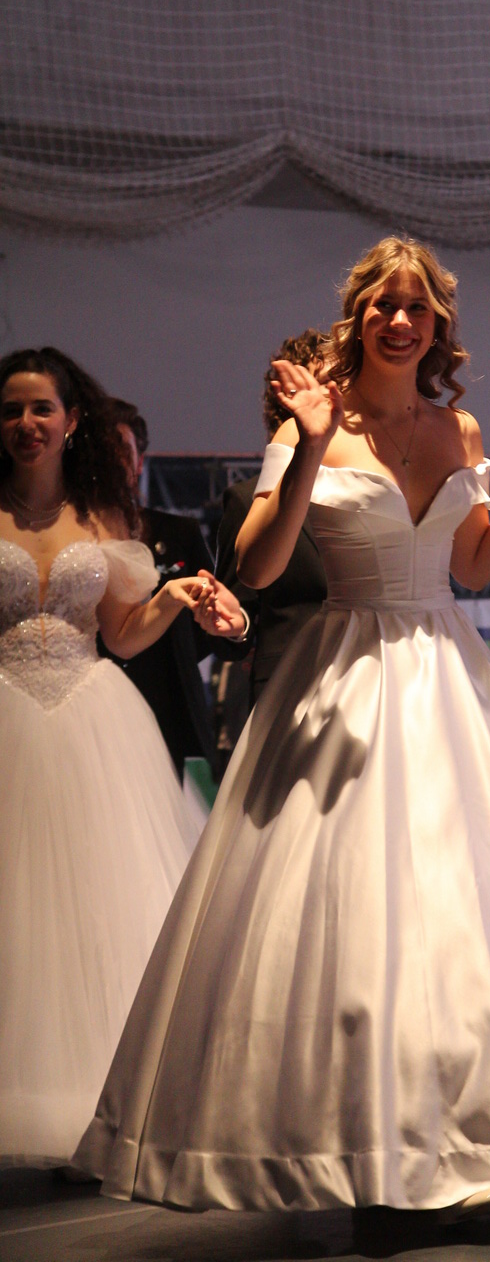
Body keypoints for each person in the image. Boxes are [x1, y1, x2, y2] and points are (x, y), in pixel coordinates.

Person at [77, 236, 490, 1218]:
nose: (400, 320)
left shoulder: (457, 428)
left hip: (451, 675)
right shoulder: (316, 424)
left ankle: (479, 1136)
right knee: (349, 914)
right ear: (358, 316)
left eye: (417, 307)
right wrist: (308, 443)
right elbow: (258, 566)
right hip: (346, 670)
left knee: (466, 912)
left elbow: (473, 564)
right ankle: (355, 1144)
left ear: (438, 324)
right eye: (384, 305)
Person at [0, 347, 240, 1167]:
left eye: (41, 408)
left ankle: (106, 1098)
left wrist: (170, 596)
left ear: (71, 421)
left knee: (99, 910)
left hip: (91, 720)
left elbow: (124, 637)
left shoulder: (102, 516)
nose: (26, 424)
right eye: (11, 410)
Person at [213, 329, 329, 713]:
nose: (328, 396)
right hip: (289, 691)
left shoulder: (381, 490)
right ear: (285, 399)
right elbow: (238, 608)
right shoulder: (247, 499)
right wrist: (236, 626)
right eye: (314, 385)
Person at [108, 398, 224, 780]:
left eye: (121, 450)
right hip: (93, 702)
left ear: (140, 461)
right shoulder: (69, 534)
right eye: (100, 450)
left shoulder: (178, 532)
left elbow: (206, 628)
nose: (111, 461)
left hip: (167, 707)